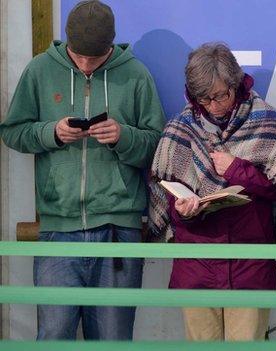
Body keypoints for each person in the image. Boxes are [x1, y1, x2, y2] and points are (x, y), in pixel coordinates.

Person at [0, 0, 165, 340]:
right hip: (57, 230)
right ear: (67, 41)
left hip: (118, 231)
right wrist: (52, 133)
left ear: (111, 45)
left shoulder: (135, 74)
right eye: (79, 55)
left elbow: (159, 146)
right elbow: (12, 132)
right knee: (53, 337)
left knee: (112, 339)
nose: (86, 63)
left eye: (96, 56)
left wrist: (124, 136)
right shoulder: (39, 70)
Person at [148, 43, 276, 341]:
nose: (215, 105)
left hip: (249, 266)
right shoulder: (180, 128)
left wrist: (238, 169)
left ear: (236, 85)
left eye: (222, 95)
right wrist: (184, 211)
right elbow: (167, 198)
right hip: (197, 269)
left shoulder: (267, 122)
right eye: (205, 98)